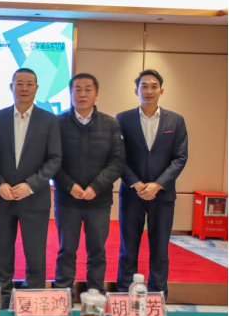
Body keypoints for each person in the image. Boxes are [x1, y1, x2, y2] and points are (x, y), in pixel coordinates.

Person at [0, 68, 62, 309]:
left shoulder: (49, 120)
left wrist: (30, 185)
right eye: (19, 83)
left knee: (35, 254)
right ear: (11, 87)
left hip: (34, 198)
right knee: (2, 253)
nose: (24, 88)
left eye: (29, 83)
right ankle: (1, 298)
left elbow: (54, 159)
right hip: (4, 197)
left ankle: (34, 299)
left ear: (37, 88)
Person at [117, 69, 188, 298]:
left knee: (160, 249)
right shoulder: (123, 119)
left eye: (154, 86)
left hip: (162, 196)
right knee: (128, 248)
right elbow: (118, 157)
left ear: (161, 90)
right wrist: (136, 184)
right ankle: (124, 294)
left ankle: (158, 295)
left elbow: (180, 157)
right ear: (136, 90)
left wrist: (158, 185)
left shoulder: (175, 120)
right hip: (132, 194)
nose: (149, 90)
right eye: (144, 86)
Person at [53, 74, 126, 295]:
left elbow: (117, 161)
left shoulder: (111, 124)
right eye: (77, 89)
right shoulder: (57, 123)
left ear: (96, 94)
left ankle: (95, 294)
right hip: (67, 199)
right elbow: (52, 161)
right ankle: (63, 293)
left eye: (87, 89)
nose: (82, 94)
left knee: (97, 250)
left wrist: (96, 187)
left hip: (99, 200)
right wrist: (70, 186)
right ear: (70, 93)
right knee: (66, 250)